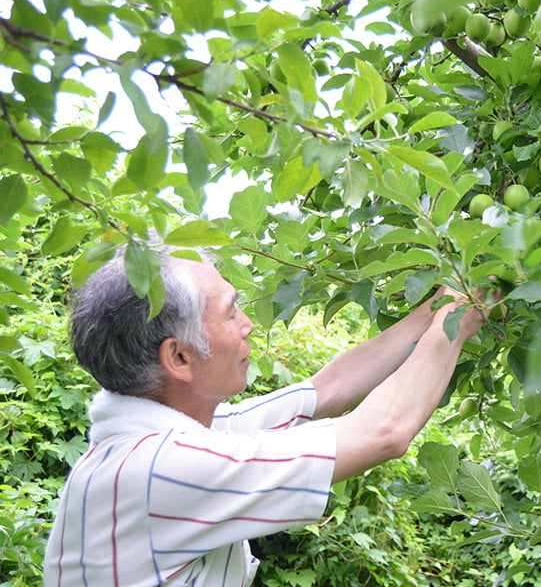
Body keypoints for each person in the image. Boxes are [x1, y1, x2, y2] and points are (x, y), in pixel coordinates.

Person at [42, 246, 487, 587]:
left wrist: (438, 306)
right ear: (179, 357)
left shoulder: (168, 429)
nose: (248, 323)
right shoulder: (163, 467)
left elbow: (327, 392)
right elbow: (383, 432)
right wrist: (457, 322)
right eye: (230, 311)